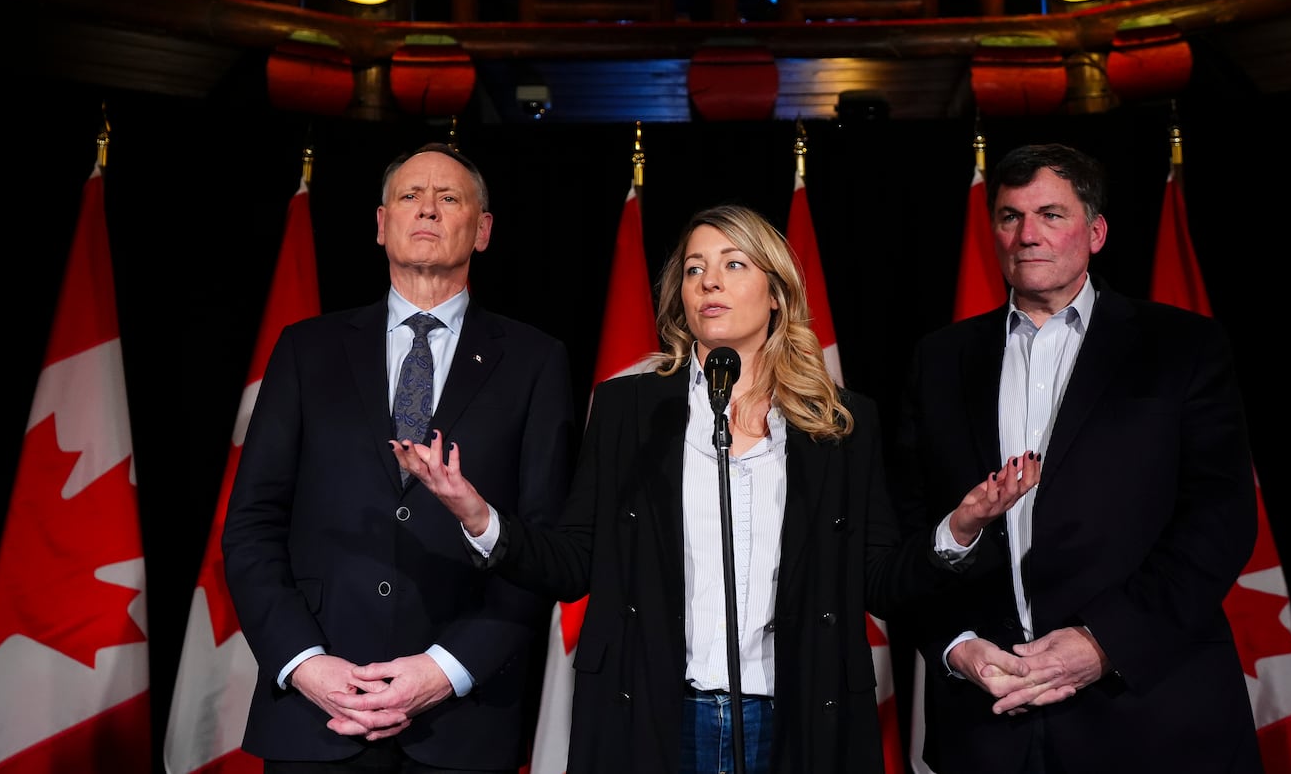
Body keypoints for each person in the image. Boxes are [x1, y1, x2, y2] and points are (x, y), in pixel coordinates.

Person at [393, 203, 1040, 774]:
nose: (709, 281)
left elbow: (877, 580)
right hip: (653, 711)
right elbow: (573, 561)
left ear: (777, 291)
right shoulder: (628, 409)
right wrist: (478, 515)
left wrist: (958, 527)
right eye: (696, 267)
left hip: (800, 715)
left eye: (733, 264)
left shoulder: (842, 423)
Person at [890, 142, 1261, 773]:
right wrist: (956, 647)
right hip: (989, 725)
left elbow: (1220, 519)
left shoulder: (1181, 347)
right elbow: (906, 527)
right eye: (1010, 216)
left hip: (1151, 718)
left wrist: (1103, 642)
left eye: (1051, 214)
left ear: (1096, 232)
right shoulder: (939, 360)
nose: (1027, 234)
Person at [222, 142, 574, 773]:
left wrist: (446, 670)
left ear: (483, 230)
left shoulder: (535, 363)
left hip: (461, 724)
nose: (428, 210)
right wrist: (304, 663)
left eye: (449, 198)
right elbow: (251, 527)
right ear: (382, 224)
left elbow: (542, 549)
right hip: (317, 714)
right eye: (410, 196)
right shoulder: (307, 350)